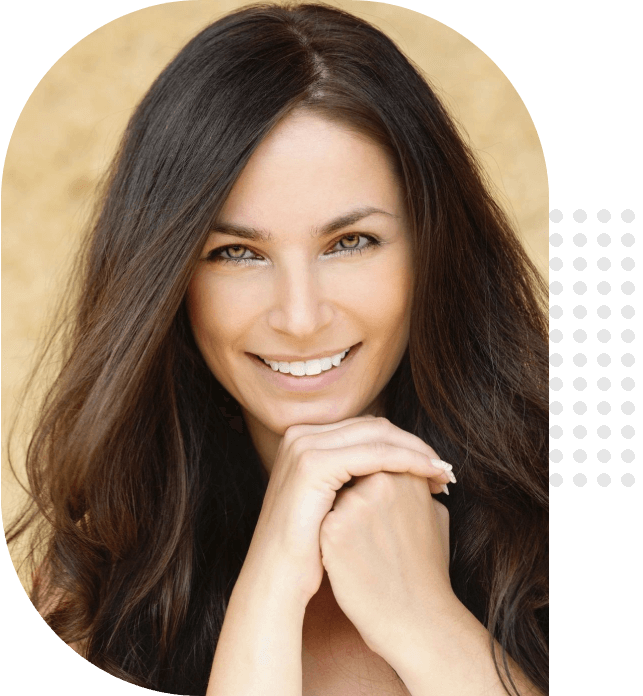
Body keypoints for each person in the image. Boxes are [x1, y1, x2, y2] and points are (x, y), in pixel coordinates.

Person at [5, 3, 549, 695]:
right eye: (236, 253)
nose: (299, 317)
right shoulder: (98, 591)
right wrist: (268, 584)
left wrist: (427, 622)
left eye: (351, 242)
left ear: (435, 251)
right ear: (170, 281)